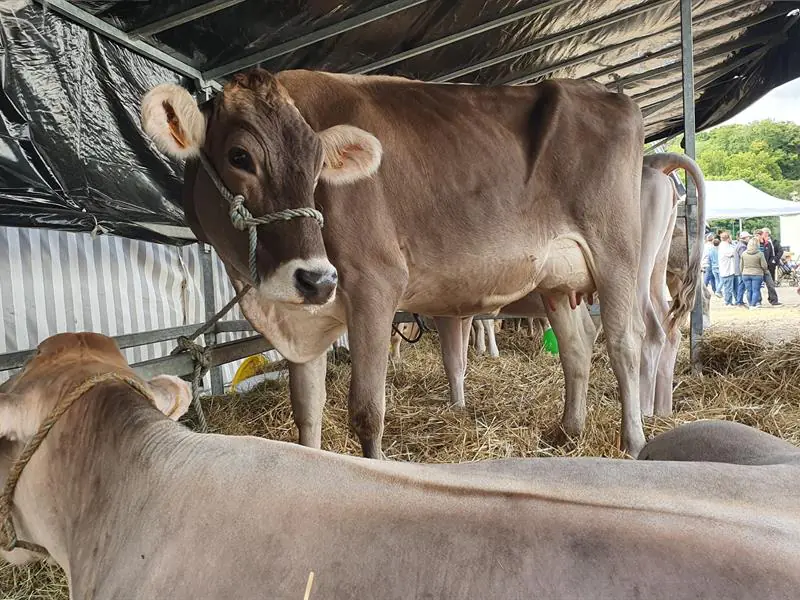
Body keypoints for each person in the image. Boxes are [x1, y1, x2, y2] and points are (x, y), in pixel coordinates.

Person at [741, 237, 769, 309]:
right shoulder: (760, 254)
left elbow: (741, 265)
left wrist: (742, 272)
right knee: (755, 290)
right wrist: (765, 271)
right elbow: (764, 265)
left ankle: (750, 304)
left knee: (748, 290)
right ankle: (753, 305)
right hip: (757, 274)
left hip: (745, 274)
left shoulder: (744, 254)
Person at [758, 228, 782, 306]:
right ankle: (758, 301)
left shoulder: (772, 242)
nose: (762, 234)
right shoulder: (756, 243)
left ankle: (773, 300)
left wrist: (773, 261)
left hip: (769, 266)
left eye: (763, 233)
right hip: (758, 268)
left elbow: (777, 252)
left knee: (771, 284)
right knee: (757, 285)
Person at [717, 231, 737, 306]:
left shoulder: (725, 245)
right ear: (728, 238)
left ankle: (730, 301)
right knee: (728, 288)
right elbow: (732, 253)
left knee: (729, 287)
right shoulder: (724, 246)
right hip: (727, 270)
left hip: (727, 269)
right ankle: (728, 302)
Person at [734, 231, 750, 306]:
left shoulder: (739, 244)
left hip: (739, 268)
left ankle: (739, 300)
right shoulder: (742, 246)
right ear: (744, 238)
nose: (749, 238)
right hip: (742, 269)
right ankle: (739, 301)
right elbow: (744, 257)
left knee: (741, 285)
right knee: (742, 285)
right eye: (748, 237)